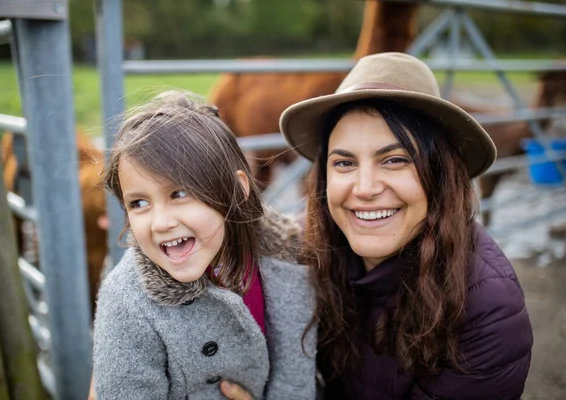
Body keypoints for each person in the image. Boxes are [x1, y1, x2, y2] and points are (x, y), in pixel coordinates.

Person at [226, 52, 534, 399]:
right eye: (344, 162)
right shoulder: (313, 247)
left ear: (440, 173)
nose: (365, 188)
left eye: (395, 159)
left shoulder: (488, 315)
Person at [92, 90, 316, 399]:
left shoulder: (290, 264)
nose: (160, 222)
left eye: (179, 193)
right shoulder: (129, 300)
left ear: (237, 190)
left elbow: (296, 384)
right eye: (139, 202)